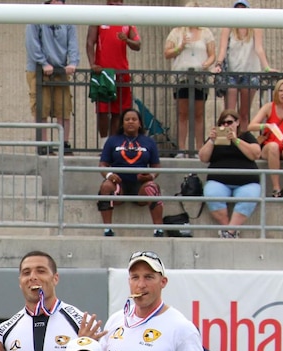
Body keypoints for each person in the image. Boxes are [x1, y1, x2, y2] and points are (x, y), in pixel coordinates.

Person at [96, 107, 164, 238]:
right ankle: (107, 229)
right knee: (106, 186)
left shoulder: (149, 142)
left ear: (139, 123)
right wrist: (110, 175)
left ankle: (158, 229)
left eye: (134, 119)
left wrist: (150, 176)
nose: (130, 122)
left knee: (152, 188)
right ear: (122, 123)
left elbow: (156, 166)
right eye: (127, 119)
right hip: (119, 185)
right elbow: (103, 164)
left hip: (140, 186)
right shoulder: (112, 141)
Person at [197, 109, 262, 238]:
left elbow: (256, 154)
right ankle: (229, 230)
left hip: (247, 182)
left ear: (237, 122)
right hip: (219, 181)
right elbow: (203, 157)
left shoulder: (245, 136)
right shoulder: (215, 139)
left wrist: (236, 140)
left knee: (249, 197)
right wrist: (211, 141)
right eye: (223, 123)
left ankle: (229, 232)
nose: (226, 126)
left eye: (229, 122)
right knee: (212, 194)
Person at [211, 1, 275, 133]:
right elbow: (222, 49)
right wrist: (218, 64)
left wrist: (267, 67)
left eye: (243, 8)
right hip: (232, 72)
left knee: (244, 113)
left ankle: (242, 141)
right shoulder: (228, 27)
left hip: (250, 72)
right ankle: (226, 142)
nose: (240, 11)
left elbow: (259, 48)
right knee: (229, 113)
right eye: (237, 8)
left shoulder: (255, 27)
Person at [25, 0, 79, 154]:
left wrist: (73, 63)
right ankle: (43, 145)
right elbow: (32, 43)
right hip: (39, 70)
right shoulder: (37, 16)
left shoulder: (68, 17)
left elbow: (73, 42)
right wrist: (43, 63)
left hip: (60, 69)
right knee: (42, 107)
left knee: (64, 107)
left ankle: (64, 144)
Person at [164, 6, 215, 155]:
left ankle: (200, 149)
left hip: (200, 77)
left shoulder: (206, 32)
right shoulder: (176, 32)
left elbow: (212, 54)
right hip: (181, 77)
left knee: (198, 114)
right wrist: (180, 47)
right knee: (182, 113)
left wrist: (207, 63)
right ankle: (181, 149)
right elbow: (167, 53)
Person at [86, 0, 141, 139]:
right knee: (102, 111)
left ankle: (113, 143)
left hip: (122, 72)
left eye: (119, 1)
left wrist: (127, 40)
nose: (116, 3)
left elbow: (138, 44)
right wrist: (92, 64)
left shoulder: (127, 20)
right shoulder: (98, 17)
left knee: (119, 112)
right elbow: (89, 42)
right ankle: (105, 144)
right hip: (103, 72)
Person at [250, 78, 283, 196]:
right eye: (281, 91)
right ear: (276, 92)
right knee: (274, 146)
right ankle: (276, 188)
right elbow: (251, 126)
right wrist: (266, 125)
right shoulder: (269, 107)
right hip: (269, 146)